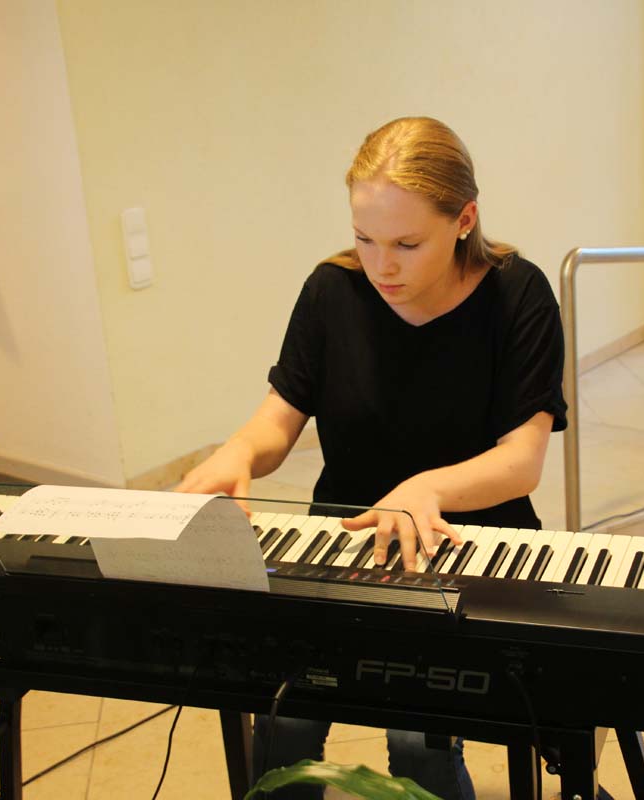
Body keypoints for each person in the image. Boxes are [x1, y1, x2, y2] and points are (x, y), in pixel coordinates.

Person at [177, 116, 567, 800]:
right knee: (284, 720)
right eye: (364, 238)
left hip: (466, 544)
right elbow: (278, 419)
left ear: (465, 219)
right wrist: (237, 451)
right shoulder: (333, 291)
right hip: (347, 540)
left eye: (407, 244)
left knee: (418, 739)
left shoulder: (517, 294)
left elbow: (522, 460)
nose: (382, 265)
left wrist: (424, 490)